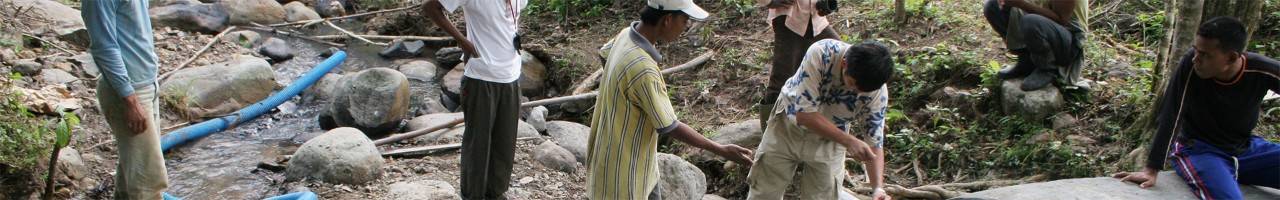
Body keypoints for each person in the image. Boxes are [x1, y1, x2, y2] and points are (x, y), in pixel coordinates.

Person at [588, 0, 754, 199]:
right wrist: (720, 149)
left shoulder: (625, 35)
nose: (686, 27)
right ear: (667, 20)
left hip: (627, 160)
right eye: (684, 20)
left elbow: (604, 54)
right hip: (623, 174)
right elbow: (670, 126)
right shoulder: (642, 67)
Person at [1113, 17, 1280, 200]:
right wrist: (1152, 168)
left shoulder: (1262, 70)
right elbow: (1171, 113)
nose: (1195, 59)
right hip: (1198, 151)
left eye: (1205, 55)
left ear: (1231, 57)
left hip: (1246, 148)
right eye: (1196, 50)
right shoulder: (1190, 66)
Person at [745, 39, 895, 200]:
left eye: (862, 91)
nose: (855, 91)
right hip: (787, 128)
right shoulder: (822, 53)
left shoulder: (877, 92)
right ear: (844, 63)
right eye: (852, 84)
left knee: (823, 196)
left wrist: (877, 188)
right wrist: (850, 141)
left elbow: (874, 144)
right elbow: (804, 115)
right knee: (765, 191)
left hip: (830, 139)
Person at [422, 0, 525, 199]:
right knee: (478, 144)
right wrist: (463, 41)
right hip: (480, 76)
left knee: (505, 143)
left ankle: (495, 192)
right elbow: (430, 7)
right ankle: (472, 195)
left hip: (511, 76)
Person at [81, 0, 168, 199]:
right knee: (148, 183)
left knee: (132, 176)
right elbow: (104, 48)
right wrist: (130, 100)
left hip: (147, 85)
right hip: (129, 93)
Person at [757, 0, 842, 130]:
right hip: (789, 18)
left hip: (816, 17)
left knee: (841, 59)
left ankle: (820, 125)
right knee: (782, 78)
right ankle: (770, 134)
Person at [982, 0, 1089, 91]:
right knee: (992, 6)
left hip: (1069, 40)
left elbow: (1061, 20)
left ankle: (1047, 69)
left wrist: (1022, 4)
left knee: (1031, 21)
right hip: (1043, 24)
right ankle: (1026, 61)